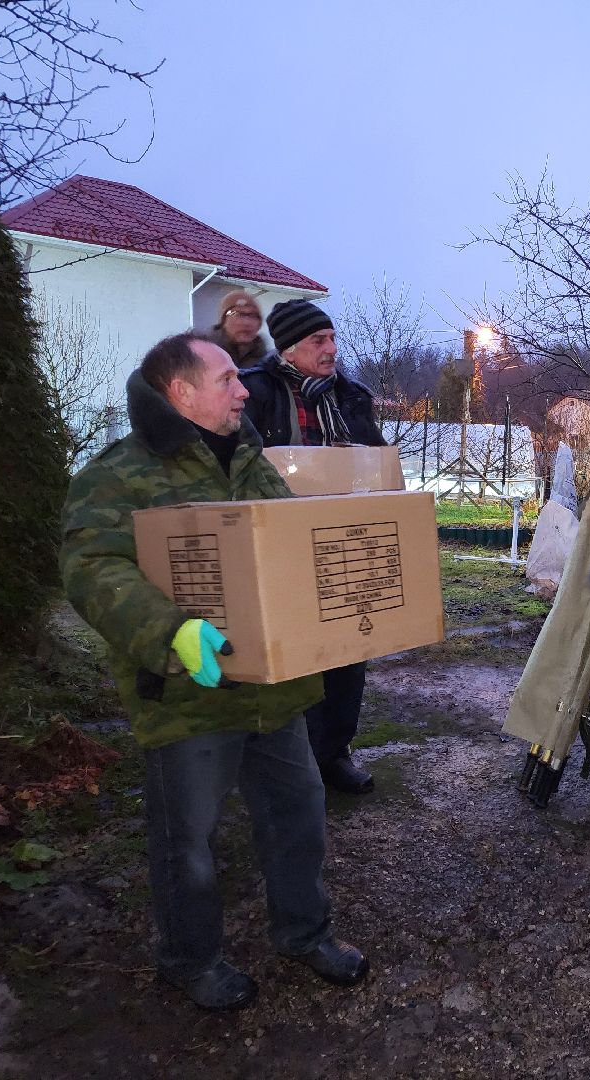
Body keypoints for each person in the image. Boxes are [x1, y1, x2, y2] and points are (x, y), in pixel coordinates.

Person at [60, 332, 369, 1009]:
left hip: (275, 689)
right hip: (187, 692)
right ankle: (189, 959)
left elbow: (290, 550)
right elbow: (90, 568)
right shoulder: (119, 473)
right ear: (182, 391)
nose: (242, 390)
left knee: (300, 814)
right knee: (188, 843)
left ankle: (304, 931)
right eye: (228, 378)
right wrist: (171, 633)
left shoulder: (253, 461)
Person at [240, 299, 386, 794]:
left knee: (349, 648)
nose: (331, 350)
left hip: (343, 540)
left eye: (332, 338)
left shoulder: (351, 396)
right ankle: (290, 756)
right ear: (289, 348)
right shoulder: (254, 391)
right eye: (317, 341)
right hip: (280, 542)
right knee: (292, 650)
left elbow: (375, 464)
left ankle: (334, 753)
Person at [206, 289, 267, 367]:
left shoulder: (267, 364)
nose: (246, 322)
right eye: (237, 314)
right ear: (223, 321)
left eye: (253, 315)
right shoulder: (201, 356)